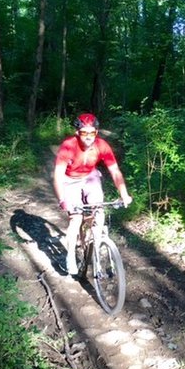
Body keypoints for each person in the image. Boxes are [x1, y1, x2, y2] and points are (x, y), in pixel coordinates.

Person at [53, 113, 132, 275]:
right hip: (70, 180)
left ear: (96, 132)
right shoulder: (68, 145)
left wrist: (124, 194)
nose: (88, 137)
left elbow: (115, 171)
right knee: (76, 218)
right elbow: (58, 175)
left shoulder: (102, 145)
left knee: (99, 211)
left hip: (90, 177)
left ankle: (97, 245)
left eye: (92, 133)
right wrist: (62, 200)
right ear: (77, 132)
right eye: (84, 133)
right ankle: (70, 256)